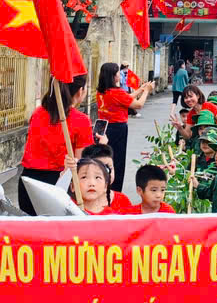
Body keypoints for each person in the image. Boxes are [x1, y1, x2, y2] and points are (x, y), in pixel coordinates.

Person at [19, 75, 99, 216]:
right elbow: (82, 164)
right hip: (58, 185)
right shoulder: (81, 121)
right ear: (80, 91)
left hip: (28, 183)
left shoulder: (38, 113)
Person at [96, 61, 152, 193]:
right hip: (117, 129)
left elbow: (126, 98)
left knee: (103, 158)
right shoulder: (116, 93)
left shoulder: (102, 91)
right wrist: (146, 92)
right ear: (113, 76)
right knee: (117, 161)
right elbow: (137, 105)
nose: (119, 76)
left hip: (103, 127)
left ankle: (104, 187)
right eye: (117, 74)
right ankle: (115, 191)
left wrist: (141, 89)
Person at [81, 143, 137, 213]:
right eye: (99, 170)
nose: (106, 173)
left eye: (109, 168)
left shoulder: (122, 200)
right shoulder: (77, 201)